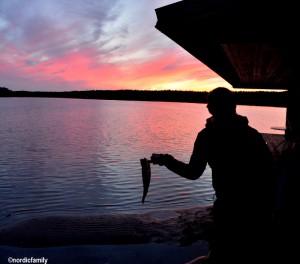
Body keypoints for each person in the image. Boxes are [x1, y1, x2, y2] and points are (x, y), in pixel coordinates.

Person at [151, 87, 275, 263]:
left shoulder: (207, 136)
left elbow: (193, 173)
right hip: (257, 208)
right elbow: (269, 172)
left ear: (211, 108)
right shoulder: (251, 134)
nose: (208, 108)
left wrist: (166, 160)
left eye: (210, 105)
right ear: (234, 107)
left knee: (220, 255)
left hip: (228, 208)